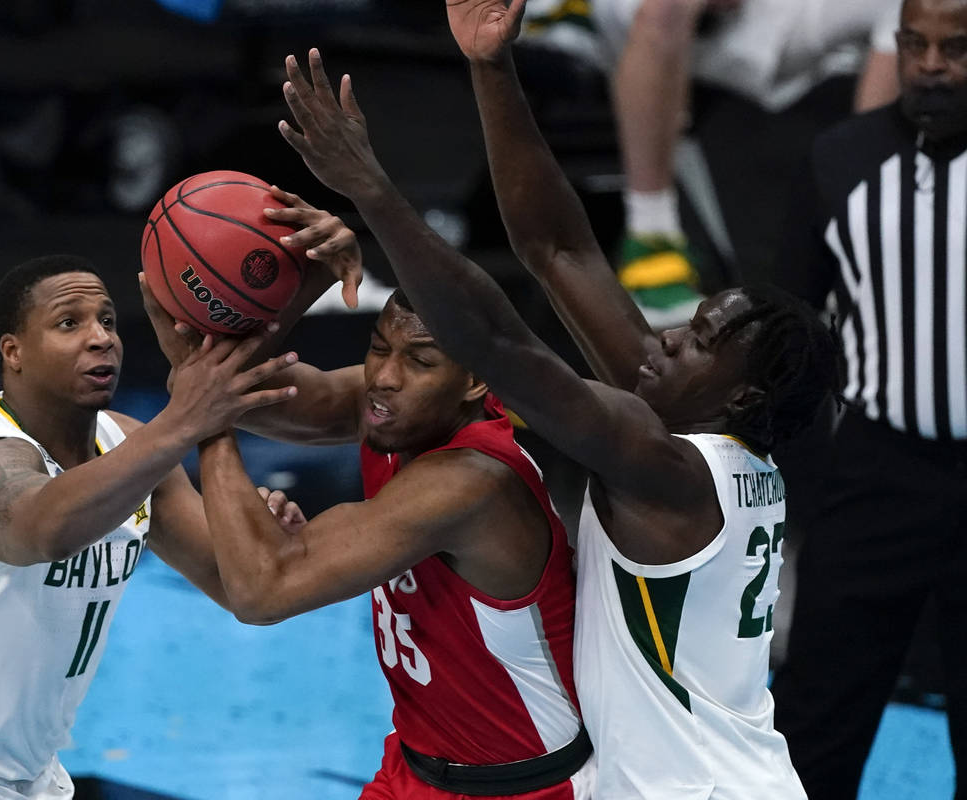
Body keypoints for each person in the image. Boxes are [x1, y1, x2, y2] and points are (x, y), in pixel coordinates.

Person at [271, 9, 838, 795]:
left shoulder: (665, 469)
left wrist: (373, 190)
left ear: (738, 392)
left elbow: (496, 344)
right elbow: (558, 249)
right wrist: (492, 68)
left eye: (701, 339)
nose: (671, 337)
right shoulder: (718, 454)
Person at [0, 189, 356, 800]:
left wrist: (257, 528)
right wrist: (186, 418)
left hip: (26, 774)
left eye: (106, 320)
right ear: (12, 353)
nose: (100, 338)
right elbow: (37, 531)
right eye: (69, 323)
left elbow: (237, 583)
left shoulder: (126, 442)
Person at [141, 276, 592, 798]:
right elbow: (242, 388)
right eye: (378, 349)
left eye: (420, 362)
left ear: (474, 381)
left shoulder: (473, 481)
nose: (385, 377)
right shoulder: (396, 409)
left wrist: (208, 423)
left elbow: (261, 592)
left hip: (521, 788)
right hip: (413, 765)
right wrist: (302, 277)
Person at [769, 0, 967, 796]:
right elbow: (789, 329)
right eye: (916, 44)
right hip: (875, 472)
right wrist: (797, 476)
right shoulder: (840, 160)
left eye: (957, 48)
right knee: (820, 715)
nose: (931, 63)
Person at [523, 0, 901, 328]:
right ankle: (651, 237)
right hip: (644, 18)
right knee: (666, 5)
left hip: (767, 18)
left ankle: (860, 229)